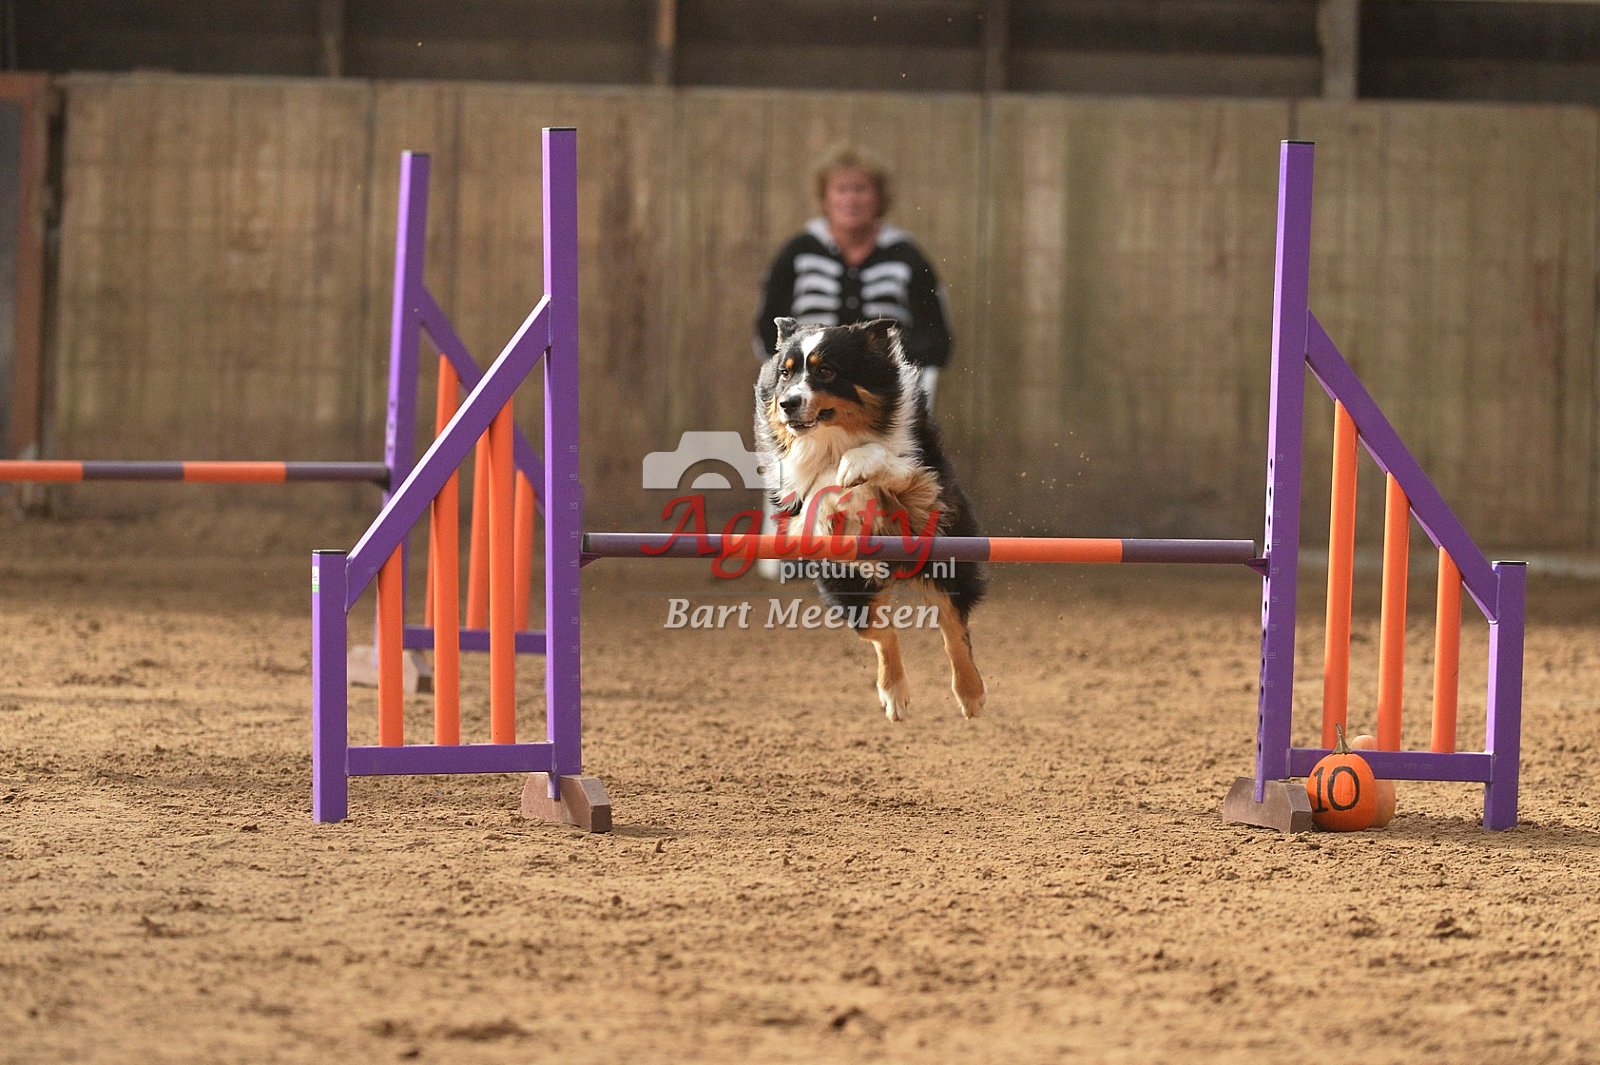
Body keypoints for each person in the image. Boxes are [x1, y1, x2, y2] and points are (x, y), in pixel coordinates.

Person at [753, 146, 952, 407]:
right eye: (841, 189)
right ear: (825, 198)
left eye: (860, 189)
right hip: (807, 389)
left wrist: (887, 373)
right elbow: (768, 331)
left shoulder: (905, 255)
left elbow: (935, 338)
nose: (851, 199)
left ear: (879, 198)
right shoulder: (799, 251)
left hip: (884, 395)